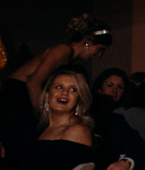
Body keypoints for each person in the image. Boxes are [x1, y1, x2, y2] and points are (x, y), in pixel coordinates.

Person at [1, 15, 111, 157]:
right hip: (16, 98)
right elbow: (33, 83)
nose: (99, 55)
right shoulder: (63, 50)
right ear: (87, 43)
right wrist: (43, 117)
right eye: (100, 49)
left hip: (22, 99)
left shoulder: (70, 59)